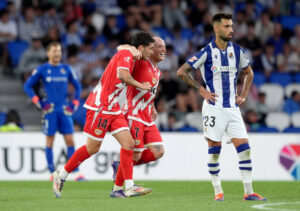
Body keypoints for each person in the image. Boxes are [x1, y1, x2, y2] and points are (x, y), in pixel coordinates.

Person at [52, 31, 155, 198]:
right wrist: (140, 85)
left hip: (114, 109)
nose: (151, 53)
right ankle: (61, 175)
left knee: (128, 144)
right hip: (101, 107)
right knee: (92, 148)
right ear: (141, 47)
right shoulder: (127, 54)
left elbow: (121, 47)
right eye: (150, 49)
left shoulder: (129, 53)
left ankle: (126, 187)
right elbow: (122, 75)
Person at [177, 13, 266, 201]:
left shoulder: (238, 51)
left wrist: (243, 95)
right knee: (214, 151)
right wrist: (201, 89)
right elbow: (182, 71)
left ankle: (249, 192)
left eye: (232, 26)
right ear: (216, 28)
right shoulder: (206, 52)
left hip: (232, 109)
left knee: (245, 149)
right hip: (213, 108)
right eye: (227, 26)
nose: (231, 30)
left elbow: (249, 74)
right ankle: (218, 191)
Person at [110, 37, 166, 198]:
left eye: (165, 47)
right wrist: (133, 49)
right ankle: (117, 189)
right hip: (134, 114)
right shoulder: (141, 62)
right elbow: (121, 47)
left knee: (158, 151)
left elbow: (149, 91)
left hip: (147, 115)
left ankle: (120, 167)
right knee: (135, 154)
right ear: (150, 49)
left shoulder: (157, 71)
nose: (164, 50)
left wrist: (153, 106)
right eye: (160, 46)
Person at [23, 42, 82, 180]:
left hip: (64, 109)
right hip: (50, 110)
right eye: (55, 51)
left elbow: (78, 87)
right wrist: (39, 102)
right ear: (48, 53)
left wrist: (74, 103)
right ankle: (51, 172)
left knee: (70, 141)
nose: (57, 54)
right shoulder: (42, 69)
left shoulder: (66, 69)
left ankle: (76, 172)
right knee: (50, 140)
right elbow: (27, 86)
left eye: (59, 51)